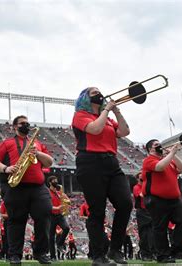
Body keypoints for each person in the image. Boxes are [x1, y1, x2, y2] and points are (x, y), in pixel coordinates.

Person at [72, 87, 132, 265]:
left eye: (100, 91)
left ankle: (115, 249)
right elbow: (95, 130)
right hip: (90, 162)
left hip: (111, 162)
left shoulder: (108, 119)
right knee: (97, 210)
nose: (99, 94)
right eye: (94, 93)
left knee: (125, 203)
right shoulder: (80, 115)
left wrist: (116, 110)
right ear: (85, 98)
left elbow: (124, 132)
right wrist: (106, 110)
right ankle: (98, 255)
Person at [0, 115, 53, 265]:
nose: (26, 125)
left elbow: (49, 162)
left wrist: (37, 153)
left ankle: (41, 253)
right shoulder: (7, 143)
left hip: (38, 187)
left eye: (27, 123)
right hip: (16, 187)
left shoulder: (36, 143)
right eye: (22, 123)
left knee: (44, 216)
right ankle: (15, 255)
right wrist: (6, 168)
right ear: (15, 126)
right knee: (16, 221)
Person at [142, 139, 182, 263]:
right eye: (156, 145)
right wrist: (171, 153)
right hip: (157, 199)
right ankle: (162, 255)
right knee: (160, 227)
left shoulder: (169, 161)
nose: (160, 146)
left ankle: (176, 250)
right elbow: (159, 167)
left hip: (174, 200)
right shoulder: (149, 160)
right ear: (150, 149)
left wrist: (173, 154)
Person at [132, 173, 155, 261]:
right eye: (141, 175)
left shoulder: (148, 186)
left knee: (153, 234)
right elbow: (141, 195)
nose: (143, 176)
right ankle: (145, 254)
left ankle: (154, 253)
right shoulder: (136, 187)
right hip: (142, 212)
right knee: (144, 234)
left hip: (151, 211)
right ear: (138, 178)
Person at [47, 176, 70, 262]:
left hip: (59, 215)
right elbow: (47, 205)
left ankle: (60, 244)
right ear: (50, 182)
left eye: (56, 180)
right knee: (51, 237)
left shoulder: (59, 192)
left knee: (66, 228)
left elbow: (68, 201)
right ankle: (53, 257)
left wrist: (66, 200)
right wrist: (57, 207)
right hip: (51, 216)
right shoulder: (47, 192)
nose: (56, 182)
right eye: (54, 181)